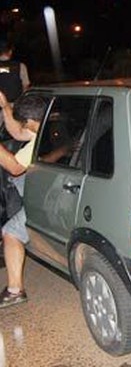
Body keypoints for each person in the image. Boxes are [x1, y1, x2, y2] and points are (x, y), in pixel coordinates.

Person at [0, 91, 46, 309]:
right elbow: (18, 133)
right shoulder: (49, 125)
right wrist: (5, 107)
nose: (22, 128)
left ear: (30, 121)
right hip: (51, 185)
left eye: (24, 123)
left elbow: (15, 168)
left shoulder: (38, 143)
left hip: (48, 196)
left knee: (11, 233)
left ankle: (15, 290)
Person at [0, 39, 30, 104]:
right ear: (10, 52)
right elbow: (26, 87)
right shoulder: (20, 66)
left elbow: (5, 70)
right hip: (16, 104)